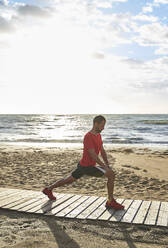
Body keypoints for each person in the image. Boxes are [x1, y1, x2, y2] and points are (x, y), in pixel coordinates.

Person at [42, 115, 124, 210]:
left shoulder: (98, 136)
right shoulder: (88, 136)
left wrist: (107, 164)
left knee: (68, 180)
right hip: (87, 167)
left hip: (82, 165)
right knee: (111, 175)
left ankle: (48, 189)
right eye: (102, 125)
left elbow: (102, 151)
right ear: (95, 124)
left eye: (104, 125)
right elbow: (93, 155)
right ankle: (110, 201)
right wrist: (105, 167)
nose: (103, 128)